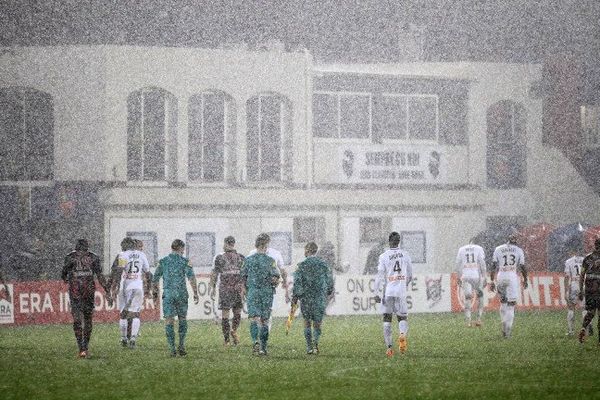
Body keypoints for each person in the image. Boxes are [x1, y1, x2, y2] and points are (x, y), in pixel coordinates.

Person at [61, 239, 109, 358]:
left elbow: (63, 273)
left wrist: (66, 278)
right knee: (86, 320)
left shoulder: (71, 257)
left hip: (78, 293)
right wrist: (107, 289)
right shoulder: (93, 257)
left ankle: (82, 348)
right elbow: (100, 276)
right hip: (86, 292)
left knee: (79, 319)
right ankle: (84, 348)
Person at [151, 239, 199, 357]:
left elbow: (155, 279)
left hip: (168, 294)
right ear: (181, 248)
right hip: (181, 293)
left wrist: (155, 295)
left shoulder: (163, 262)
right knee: (182, 319)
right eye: (183, 249)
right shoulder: (185, 261)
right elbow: (191, 277)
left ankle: (172, 349)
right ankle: (181, 346)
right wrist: (195, 293)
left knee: (169, 320)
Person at [373, 232, 413, 357]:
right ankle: (402, 335)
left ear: (389, 241)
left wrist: (376, 292)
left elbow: (380, 276)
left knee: (387, 319)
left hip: (388, 291)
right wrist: (403, 284)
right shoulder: (405, 255)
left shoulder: (384, 256)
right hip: (400, 291)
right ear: (399, 241)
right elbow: (410, 275)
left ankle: (389, 348)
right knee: (402, 317)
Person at [291, 242, 334, 354]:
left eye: (305, 250)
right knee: (317, 322)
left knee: (307, 321)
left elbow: (297, 282)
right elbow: (329, 279)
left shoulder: (301, 265)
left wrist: (296, 296)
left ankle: (309, 346)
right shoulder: (323, 264)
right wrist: (329, 290)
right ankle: (315, 343)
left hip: (306, 297)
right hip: (319, 296)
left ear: (307, 250)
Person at [241, 234, 281, 355]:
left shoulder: (248, 260)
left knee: (254, 318)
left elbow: (243, 277)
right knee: (264, 320)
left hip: (253, 291)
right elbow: (275, 278)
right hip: (266, 293)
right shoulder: (271, 261)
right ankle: (263, 348)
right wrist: (275, 282)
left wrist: (244, 290)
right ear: (265, 246)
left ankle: (255, 342)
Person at [110, 237, 151, 348]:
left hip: (125, 286)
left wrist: (116, 286)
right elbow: (148, 273)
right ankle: (133, 339)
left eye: (122, 245)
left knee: (123, 314)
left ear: (125, 246)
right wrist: (149, 288)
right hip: (137, 286)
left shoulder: (123, 255)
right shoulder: (142, 255)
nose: (121, 247)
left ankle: (123, 339)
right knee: (135, 314)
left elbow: (118, 271)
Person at [489, 234, 527, 339]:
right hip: (512, 276)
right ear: (515, 241)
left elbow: (493, 266)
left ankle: (504, 326)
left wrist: (492, 281)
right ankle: (508, 331)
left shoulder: (498, 249)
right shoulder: (519, 250)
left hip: (501, 276)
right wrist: (525, 279)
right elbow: (522, 266)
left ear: (507, 240)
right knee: (511, 305)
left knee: (503, 302)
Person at [248, 233, 289, 329]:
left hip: (269, 288)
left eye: (265, 242)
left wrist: (284, 282)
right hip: (256, 287)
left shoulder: (275, 253)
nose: (264, 245)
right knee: (257, 313)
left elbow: (282, 270)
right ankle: (260, 334)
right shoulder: (252, 253)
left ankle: (264, 334)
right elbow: (247, 270)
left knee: (267, 312)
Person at [210, 236, 245, 346]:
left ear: (225, 243)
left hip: (225, 289)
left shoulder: (220, 258)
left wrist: (212, 288)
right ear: (233, 244)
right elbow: (245, 275)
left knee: (225, 314)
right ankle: (234, 330)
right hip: (237, 289)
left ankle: (227, 341)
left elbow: (214, 274)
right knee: (237, 312)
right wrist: (245, 288)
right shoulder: (241, 258)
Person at [456, 240, 487, 327]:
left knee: (468, 297)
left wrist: (458, 276)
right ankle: (479, 319)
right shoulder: (478, 248)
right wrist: (484, 276)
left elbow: (458, 264)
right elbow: (482, 263)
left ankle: (468, 321)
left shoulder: (462, 249)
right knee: (480, 296)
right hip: (476, 275)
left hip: (466, 276)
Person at [578, 238, 600, 344]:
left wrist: (581, 290)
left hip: (589, 289)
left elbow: (582, 275)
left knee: (591, 312)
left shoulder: (587, 258)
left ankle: (583, 328)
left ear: (595, 246)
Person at [564, 250, 586, 336]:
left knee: (571, 307)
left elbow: (566, 277)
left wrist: (566, 291)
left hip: (574, 284)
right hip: (584, 284)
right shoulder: (586, 260)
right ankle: (585, 330)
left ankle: (571, 331)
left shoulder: (569, 261)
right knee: (584, 308)